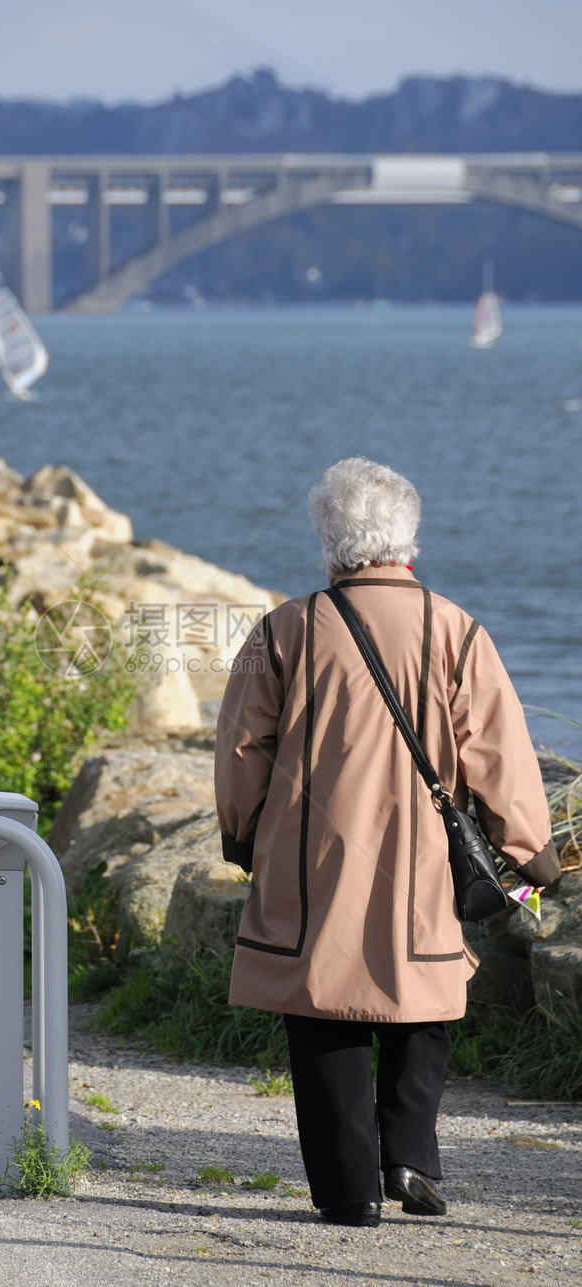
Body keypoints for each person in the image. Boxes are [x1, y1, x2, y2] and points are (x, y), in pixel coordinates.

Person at [214, 456, 560, 1228]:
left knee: (320, 1001)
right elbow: (498, 752)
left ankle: (347, 1188)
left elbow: (240, 749)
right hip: (422, 856)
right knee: (426, 989)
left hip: (308, 861)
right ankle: (409, 1155)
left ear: (329, 544)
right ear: (409, 543)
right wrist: (532, 851)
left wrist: (241, 834)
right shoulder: (458, 630)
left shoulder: (279, 630)